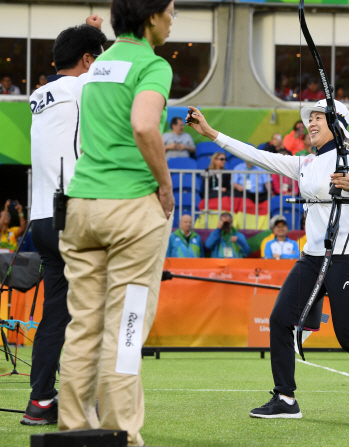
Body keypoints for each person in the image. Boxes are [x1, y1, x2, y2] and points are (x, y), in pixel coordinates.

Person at [186, 99, 349, 418]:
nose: (310, 123)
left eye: (318, 118)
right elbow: (259, 157)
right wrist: (212, 133)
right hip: (312, 258)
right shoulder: (307, 164)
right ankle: (285, 398)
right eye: (310, 118)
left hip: (344, 258)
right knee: (280, 319)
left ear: (337, 124)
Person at [57, 2, 176, 445]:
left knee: (83, 323)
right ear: (151, 19)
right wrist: (165, 186)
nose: (172, 20)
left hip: (81, 205)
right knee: (125, 325)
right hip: (130, 208)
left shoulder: (99, 63)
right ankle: (120, 431)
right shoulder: (152, 64)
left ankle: (72, 429)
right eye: (171, 11)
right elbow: (145, 125)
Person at [21, 16, 107, 427]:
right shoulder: (85, 85)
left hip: (42, 221)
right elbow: (126, 70)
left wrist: (90, 34)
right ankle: (83, 402)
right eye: (98, 58)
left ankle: (41, 402)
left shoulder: (40, 94)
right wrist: (104, 36)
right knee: (98, 311)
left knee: (56, 314)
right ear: (88, 60)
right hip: (76, 215)